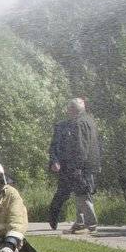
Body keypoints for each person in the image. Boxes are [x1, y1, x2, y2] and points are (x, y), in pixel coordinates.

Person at [47, 97, 103, 233]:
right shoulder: (90, 121)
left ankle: (90, 224)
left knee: (83, 193)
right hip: (89, 164)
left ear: (72, 109)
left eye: (69, 108)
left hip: (81, 166)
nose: (67, 111)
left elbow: (81, 147)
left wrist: (77, 166)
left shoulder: (79, 123)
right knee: (80, 193)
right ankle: (80, 222)